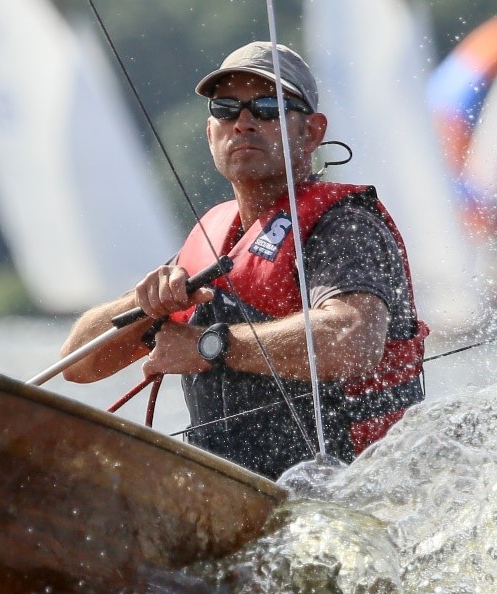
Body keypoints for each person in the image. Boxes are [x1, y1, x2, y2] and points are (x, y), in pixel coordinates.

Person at [58, 41, 428, 480]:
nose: (245, 123)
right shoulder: (210, 239)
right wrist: (142, 306)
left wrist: (207, 346)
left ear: (311, 133)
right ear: (210, 133)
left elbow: (352, 341)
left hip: (345, 494)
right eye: (227, 108)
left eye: (269, 107)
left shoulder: (345, 226)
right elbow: (77, 366)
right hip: (231, 496)